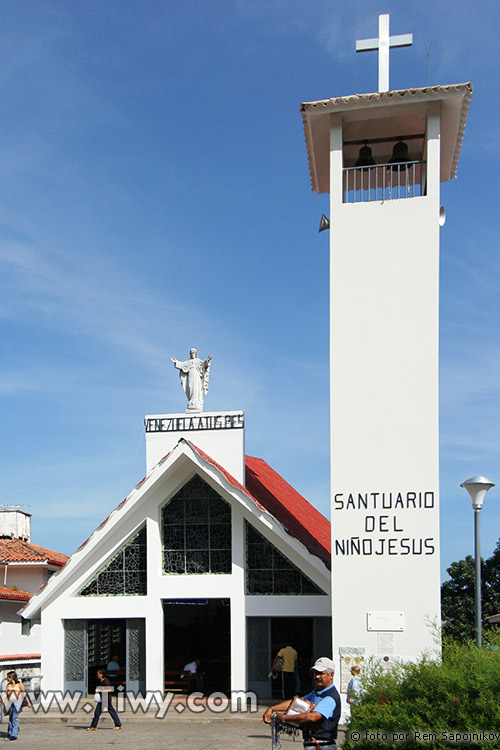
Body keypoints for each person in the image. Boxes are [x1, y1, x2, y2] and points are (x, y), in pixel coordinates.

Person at [264, 657, 341, 748]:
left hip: (323, 745)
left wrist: (284, 718)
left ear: (331, 675)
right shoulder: (316, 692)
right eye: (315, 673)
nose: (317, 676)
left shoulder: (330, 697)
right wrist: (272, 709)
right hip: (312, 744)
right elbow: (296, 702)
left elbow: (313, 717)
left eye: (321, 673)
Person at [1, 671, 31, 741]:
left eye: (8, 677)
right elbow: (6, 695)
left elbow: (24, 693)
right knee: (11, 718)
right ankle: (12, 731)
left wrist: (28, 702)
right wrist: (4, 703)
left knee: (15, 717)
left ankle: (13, 734)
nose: (7, 679)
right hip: (10, 702)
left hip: (17, 701)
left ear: (12, 677)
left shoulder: (19, 684)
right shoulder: (8, 685)